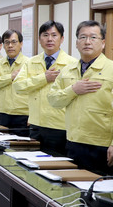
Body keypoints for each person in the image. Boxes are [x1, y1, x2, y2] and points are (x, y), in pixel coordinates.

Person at [48, 20, 113, 174]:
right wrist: (73, 90)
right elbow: (53, 99)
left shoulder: (111, 69)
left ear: (103, 43)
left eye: (93, 37)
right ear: (76, 43)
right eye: (82, 37)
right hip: (74, 141)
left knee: (101, 194)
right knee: (73, 191)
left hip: (102, 145)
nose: (87, 42)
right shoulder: (67, 70)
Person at [13, 21, 76, 155]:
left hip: (60, 126)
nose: (49, 39)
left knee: (57, 168)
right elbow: (18, 86)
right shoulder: (31, 62)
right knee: (33, 166)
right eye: (45, 35)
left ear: (62, 39)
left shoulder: (72, 63)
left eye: (54, 35)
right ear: (40, 39)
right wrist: (44, 78)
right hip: (36, 124)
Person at [0, 30, 29, 135]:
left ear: (21, 44)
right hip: (2, 113)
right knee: (1, 146)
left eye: (14, 42)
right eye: (7, 42)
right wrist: (10, 77)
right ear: (3, 45)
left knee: (20, 147)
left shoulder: (29, 63)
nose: (10, 46)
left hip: (23, 114)